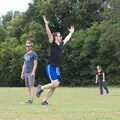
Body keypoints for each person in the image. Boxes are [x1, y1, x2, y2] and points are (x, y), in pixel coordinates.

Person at [36, 15, 75, 105]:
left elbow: (66, 39)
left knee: (55, 86)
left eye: (60, 36)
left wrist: (71, 33)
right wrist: (46, 24)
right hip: (51, 66)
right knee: (55, 84)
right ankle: (41, 87)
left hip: (56, 67)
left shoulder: (60, 45)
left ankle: (44, 101)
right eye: (59, 35)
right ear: (55, 37)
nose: (61, 36)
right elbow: (49, 33)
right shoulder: (52, 43)